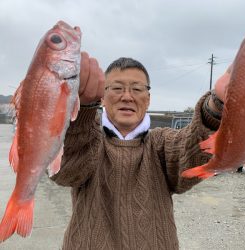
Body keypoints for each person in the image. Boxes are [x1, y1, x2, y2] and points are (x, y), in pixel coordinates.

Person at [50, 51, 229, 250]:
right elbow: (64, 172)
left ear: (148, 98)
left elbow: (191, 151)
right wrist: (83, 110)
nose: (127, 97)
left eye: (137, 89)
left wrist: (216, 106)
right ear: (102, 97)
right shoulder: (87, 140)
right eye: (117, 88)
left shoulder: (160, 143)